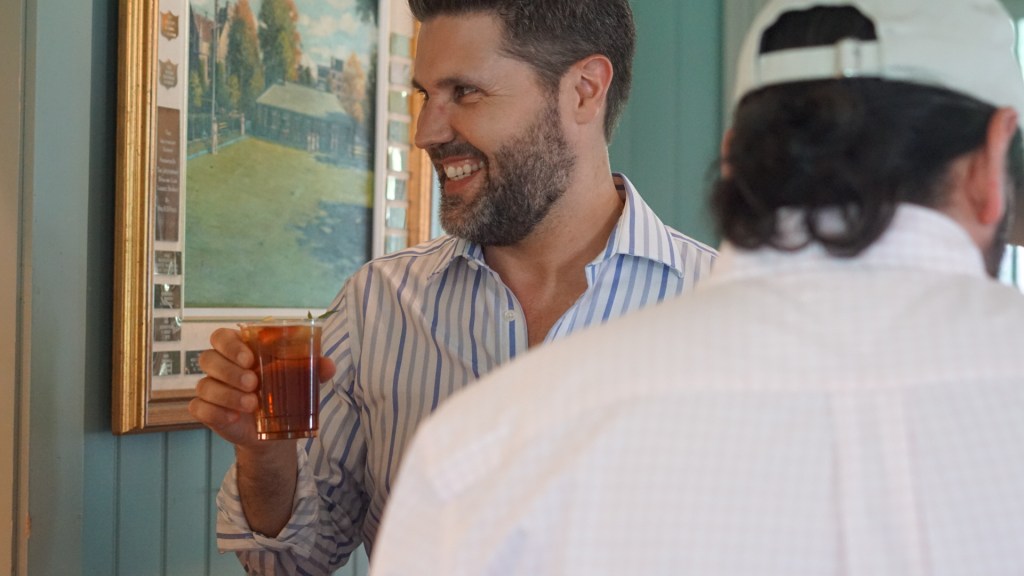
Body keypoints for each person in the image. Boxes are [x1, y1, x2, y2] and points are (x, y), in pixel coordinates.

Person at [370, 0, 1024, 574]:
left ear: (734, 156)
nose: (430, 128)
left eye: (466, 92)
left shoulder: (480, 447)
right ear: (993, 161)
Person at [189, 0, 716, 573]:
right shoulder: (376, 306)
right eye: (425, 96)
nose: (425, 133)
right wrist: (264, 454)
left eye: (465, 92)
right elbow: (289, 563)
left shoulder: (725, 313)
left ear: (584, 91)